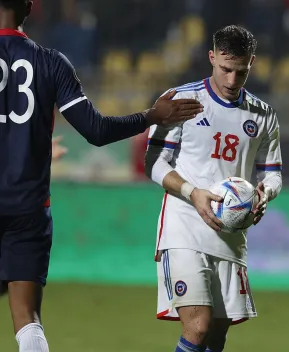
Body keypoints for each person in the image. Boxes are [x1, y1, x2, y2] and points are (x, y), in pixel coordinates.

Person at [0, 1, 204, 351]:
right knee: (27, 318)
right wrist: (151, 115)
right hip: (27, 209)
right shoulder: (50, 62)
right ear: (30, 7)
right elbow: (96, 130)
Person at [145, 25, 282, 352]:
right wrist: (193, 192)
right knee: (198, 326)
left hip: (231, 235)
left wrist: (264, 193)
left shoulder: (263, 115)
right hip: (185, 228)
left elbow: (273, 173)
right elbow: (153, 163)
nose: (232, 80)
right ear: (211, 57)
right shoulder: (181, 100)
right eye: (225, 69)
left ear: (252, 63)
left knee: (216, 336)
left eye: (241, 72)